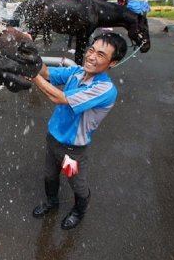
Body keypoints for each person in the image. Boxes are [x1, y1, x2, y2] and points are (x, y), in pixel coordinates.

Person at [29, 32, 127, 230]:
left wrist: (30, 74)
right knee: (50, 175)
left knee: (76, 182)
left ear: (113, 63)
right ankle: (51, 202)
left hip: (71, 151)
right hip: (53, 141)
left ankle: (78, 211)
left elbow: (60, 98)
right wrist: (29, 52)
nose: (91, 56)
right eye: (91, 50)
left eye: (101, 55)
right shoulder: (77, 72)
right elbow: (47, 73)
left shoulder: (105, 89)